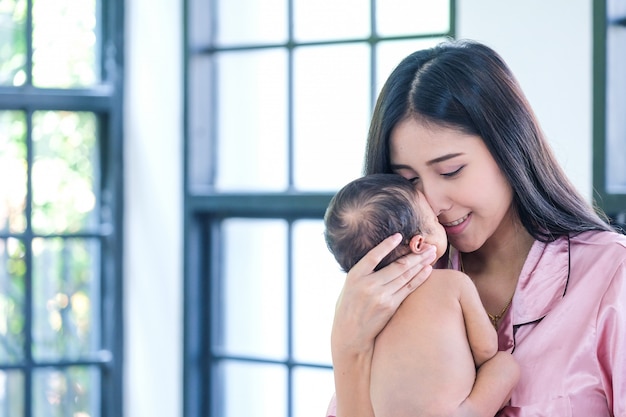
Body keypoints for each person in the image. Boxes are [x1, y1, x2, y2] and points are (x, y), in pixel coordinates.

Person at [325, 39, 626, 417]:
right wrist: (348, 350)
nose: (432, 202)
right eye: (409, 182)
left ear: (509, 147)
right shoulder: (395, 292)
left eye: (451, 170)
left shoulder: (611, 276)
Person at [324, 173, 520, 417]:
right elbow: (487, 350)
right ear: (419, 244)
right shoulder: (453, 283)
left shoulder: (367, 318)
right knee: (505, 365)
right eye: (434, 222)